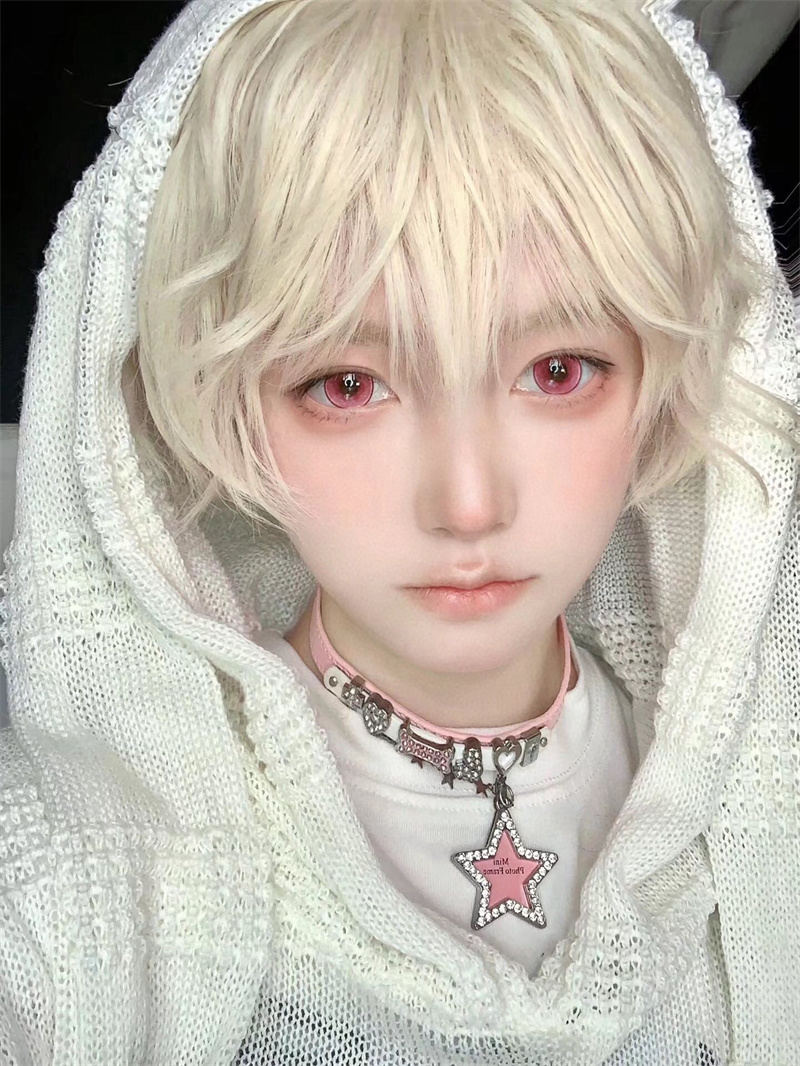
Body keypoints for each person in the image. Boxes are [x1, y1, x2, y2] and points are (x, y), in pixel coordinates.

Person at [0, 0, 797, 1063]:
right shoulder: (70, 885)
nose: (467, 503)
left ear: (667, 378)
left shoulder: (745, 818)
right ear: (222, 400)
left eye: (558, 370)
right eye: (347, 383)